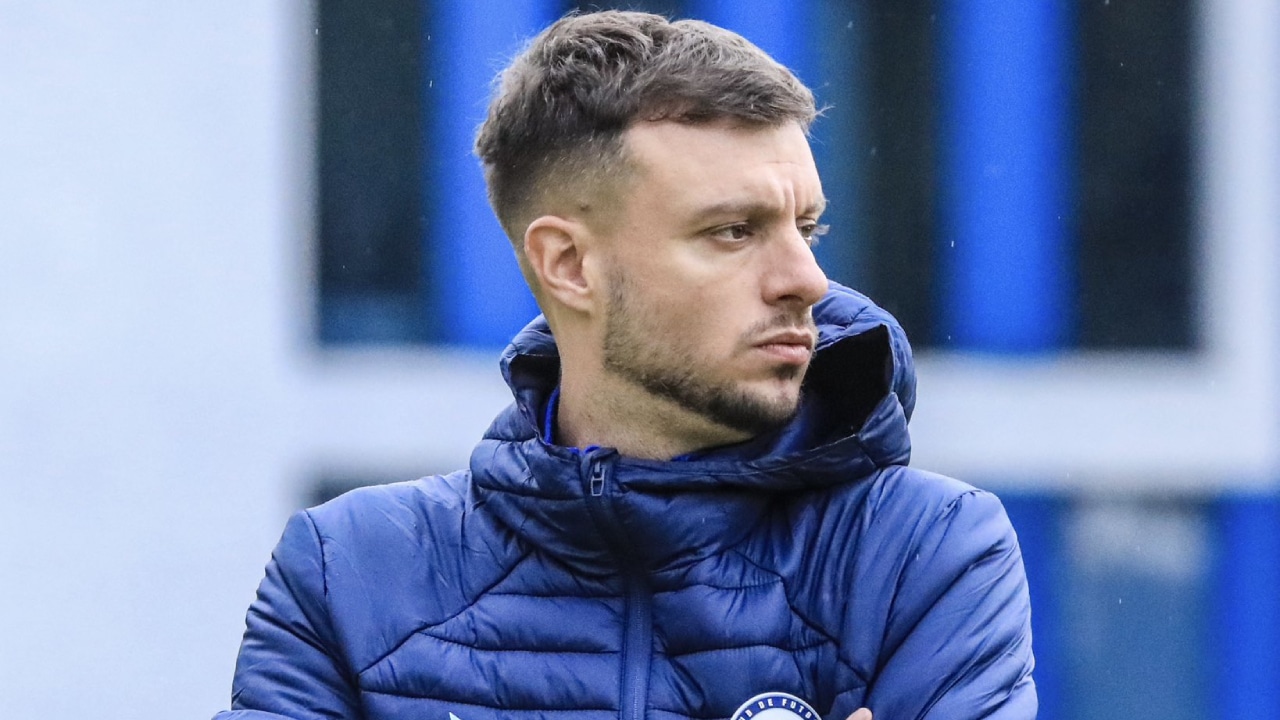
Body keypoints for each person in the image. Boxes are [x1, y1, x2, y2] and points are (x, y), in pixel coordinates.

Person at [215, 10, 1035, 720]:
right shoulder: (351, 572)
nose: (806, 280)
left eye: (806, 228)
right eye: (733, 231)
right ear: (569, 265)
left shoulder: (923, 554)